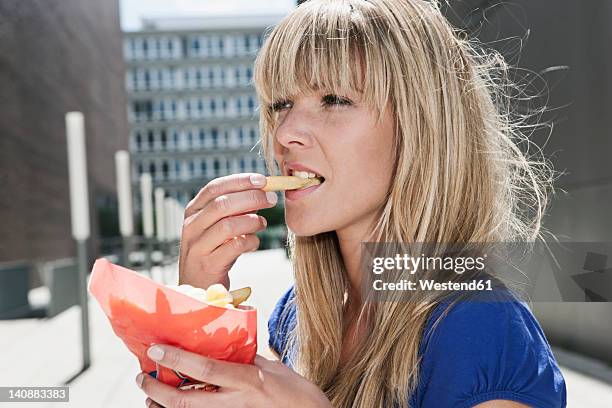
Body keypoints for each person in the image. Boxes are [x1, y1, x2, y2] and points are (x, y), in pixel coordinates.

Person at [135, 0, 567, 407]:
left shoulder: (479, 326)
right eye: (280, 104)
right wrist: (199, 315)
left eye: (334, 100)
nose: (285, 133)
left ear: (422, 129)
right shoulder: (295, 316)